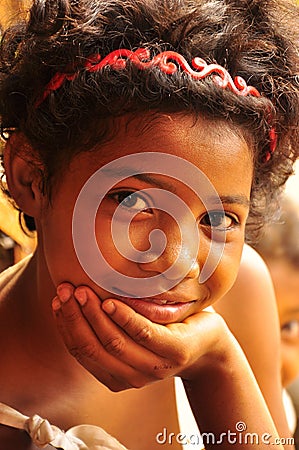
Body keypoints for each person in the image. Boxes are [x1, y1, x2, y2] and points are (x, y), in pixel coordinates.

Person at [0, 0, 298, 449]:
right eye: (134, 201)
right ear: (31, 178)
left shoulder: (243, 294)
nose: (178, 263)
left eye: (217, 219)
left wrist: (217, 366)